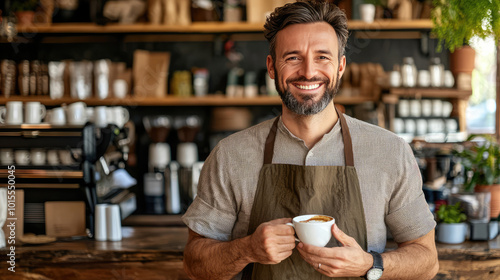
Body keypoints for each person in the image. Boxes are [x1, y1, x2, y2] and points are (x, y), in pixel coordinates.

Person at [182, 1, 439, 279]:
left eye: (322, 57)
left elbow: (426, 260)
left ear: (340, 66)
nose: (307, 71)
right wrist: (247, 249)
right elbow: (195, 264)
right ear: (271, 67)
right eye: (293, 57)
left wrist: (369, 264)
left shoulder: (390, 151)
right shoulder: (230, 155)